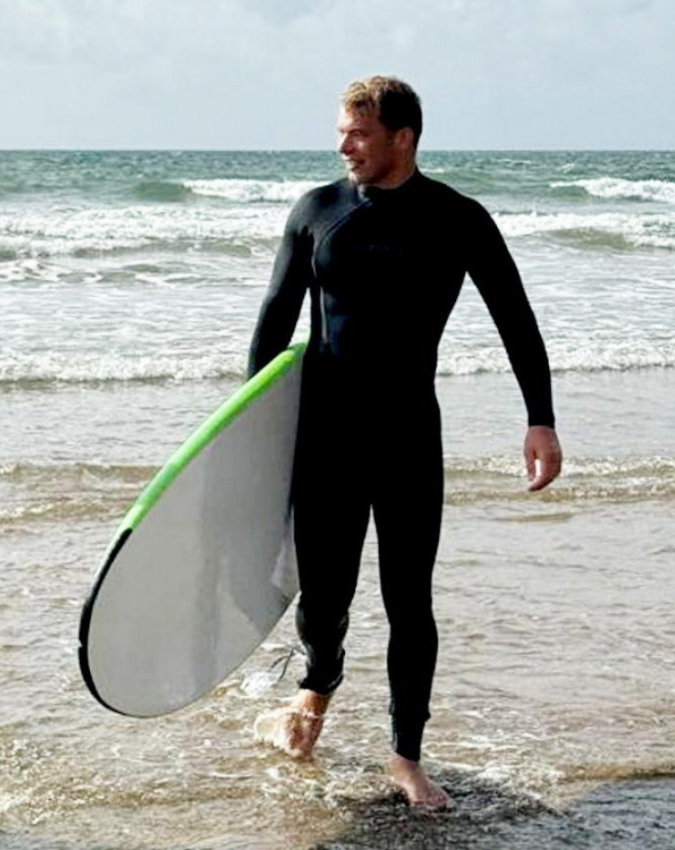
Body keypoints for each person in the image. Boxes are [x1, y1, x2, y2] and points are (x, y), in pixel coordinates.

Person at [248, 77, 563, 810]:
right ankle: (317, 684)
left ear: (401, 137)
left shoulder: (457, 219)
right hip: (323, 438)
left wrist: (539, 419)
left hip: (407, 436)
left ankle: (404, 756)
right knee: (323, 600)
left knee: (407, 600)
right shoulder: (316, 212)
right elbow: (271, 326)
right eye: (340, 132)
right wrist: (243, 435)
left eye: (357, 134)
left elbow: (515, 318)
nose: (342, 145)